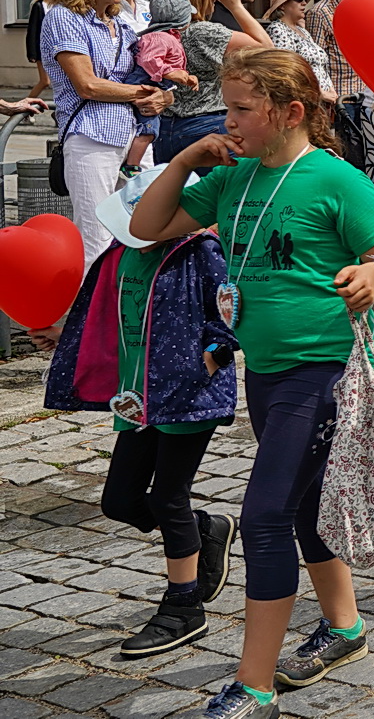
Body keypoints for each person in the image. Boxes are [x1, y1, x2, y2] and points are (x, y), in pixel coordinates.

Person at [130, 48, 374, 719]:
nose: (227, 121)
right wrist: (181, 161)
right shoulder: (232, 179)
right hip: (265, 368)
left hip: (323, 370)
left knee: (264, 515)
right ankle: (344, 628)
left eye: (240, 109)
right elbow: (145, 228)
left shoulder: (335, 180)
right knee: (308, 499)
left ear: (290, 112)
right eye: (226, 108)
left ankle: (254, 685)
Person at [37, 166, 240, 658]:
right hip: (137, 397)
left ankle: (184, 607)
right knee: (120, 502)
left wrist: (214, 354)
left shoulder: (199, 252)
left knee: (169, 496)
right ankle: (205, 529)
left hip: (189, 394)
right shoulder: (120, 257)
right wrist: (66, 333)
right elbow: (100, 306)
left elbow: (232, 306)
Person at [40, 0, 176, 266]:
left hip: (132, 139)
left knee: (143, 230)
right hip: (91, 137)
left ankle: (130, 309)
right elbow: (86, 85)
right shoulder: (63, 18)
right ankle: (94, 315)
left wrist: (163, 95)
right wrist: (145, 94)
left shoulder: (121, 25)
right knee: (97, 235)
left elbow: (150, 79)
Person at [155, 0, 273, 168]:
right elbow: (266, 49)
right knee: (224, 197)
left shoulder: (156, 31)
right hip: (206, 124)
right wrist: (235, 6)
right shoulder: (202, 31)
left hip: (165, 130)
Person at [121, 0, 202, 176]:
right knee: (149, 130)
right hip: (144, 83)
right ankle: (131, 166)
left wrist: (184, 76)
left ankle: (133, 163)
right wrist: (171, 73)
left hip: (156, 87)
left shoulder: (168, 37)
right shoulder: (160, 38)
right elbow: (149, 60)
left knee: (150, 129)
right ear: (177, 24)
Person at [304, 0, 374, 140]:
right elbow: (315, 60)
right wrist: (324, 95)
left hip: (366, 93)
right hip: (341, 97)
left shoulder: (362, 8)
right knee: (350, 152)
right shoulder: (320, 13)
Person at [262, 0, 335, 103]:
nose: (304, 3)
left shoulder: (303, 31)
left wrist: (330, 90)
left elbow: (320, 66)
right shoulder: (278, 30)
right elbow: (287, 71)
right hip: (303, 101)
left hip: (322, 102)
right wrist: (318, 94)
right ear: (282, 5)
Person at [26, 0, 56, 100]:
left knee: (61, 82)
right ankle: (26, 107)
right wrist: (31, 53)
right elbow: (32, 31)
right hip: (41, 50)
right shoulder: (39, 6)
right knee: (45, 81)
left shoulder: (58, 7)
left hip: (56, 49)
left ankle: (59, 110)